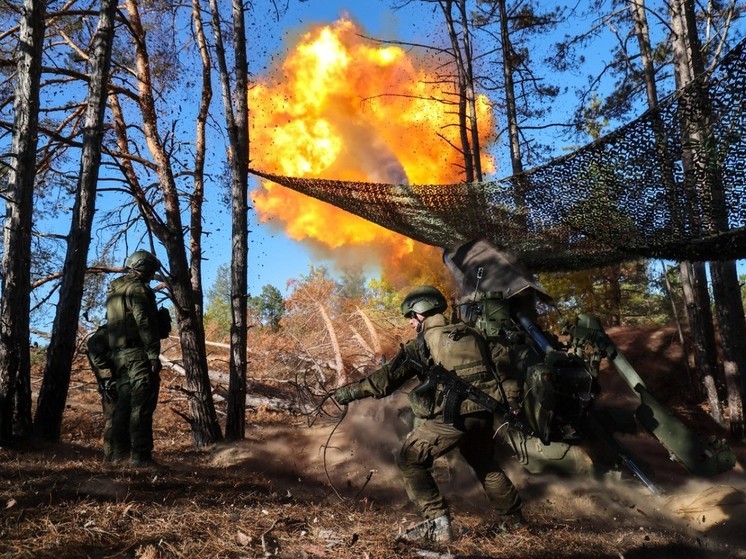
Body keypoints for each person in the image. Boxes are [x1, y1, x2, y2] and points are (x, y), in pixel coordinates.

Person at [333, 286, 524, 544]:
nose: (411, 323)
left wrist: (348, 393)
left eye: (412, 316)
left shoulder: (421, 344)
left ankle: (437, 523)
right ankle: (514, 522)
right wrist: (511, 403)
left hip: (453, 416)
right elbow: (504, 367)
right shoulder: (473, 333)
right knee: (484, 463)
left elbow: (383, 381)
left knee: (410, 459)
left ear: (422, 313)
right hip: (484, 414)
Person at [105, 249, 163, 468]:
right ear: (144, 268)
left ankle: (118, 456)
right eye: (150, 271)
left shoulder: (115, 290)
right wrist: (153, 354)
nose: (151, 276)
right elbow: (144, 322)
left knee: (124, 406)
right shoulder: (138, 289)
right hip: (137, 355)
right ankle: (140, 457)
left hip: (119, 356)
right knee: (141, 405)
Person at [86, 324, 117, 462]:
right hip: (110, 384)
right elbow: (98, 359)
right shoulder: (102, 335)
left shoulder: (114, 332)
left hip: (118, 382)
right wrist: (120, 359)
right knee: (112, 419)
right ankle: (109, 457)